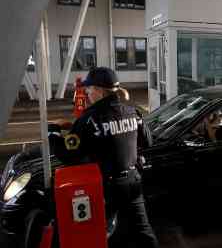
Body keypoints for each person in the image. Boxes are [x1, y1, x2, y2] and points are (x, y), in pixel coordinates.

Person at [48, 67, 158, 248]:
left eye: (89, 89)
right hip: (132, 183)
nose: (88, 93)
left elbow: (68, 154)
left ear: (99, 90)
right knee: (143, 232)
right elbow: (147, 141)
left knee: (98, 233)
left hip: (107, 188)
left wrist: (53, 131)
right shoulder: (132, 111)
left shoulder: (90, 119)